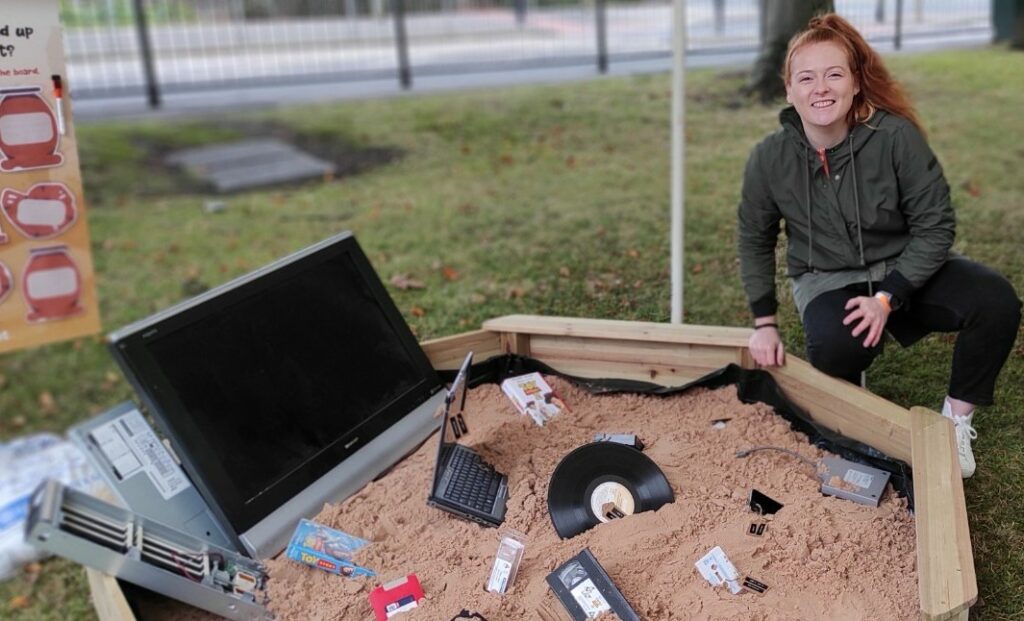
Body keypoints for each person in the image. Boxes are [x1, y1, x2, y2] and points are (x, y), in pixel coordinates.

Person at [736, 13, 1021, 478]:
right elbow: (754, 237)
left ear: (854, 84)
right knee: (835, 345)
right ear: (788, 90)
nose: (821, 88)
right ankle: (853, 428)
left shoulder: (895, 138)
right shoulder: (769, 157)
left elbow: (935, 226)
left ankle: (955, 426)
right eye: (806, 78)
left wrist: (888, 297)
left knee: (994, 299)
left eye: (834, 74)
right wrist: (764, 322)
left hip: (905, 265)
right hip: (827, 276)